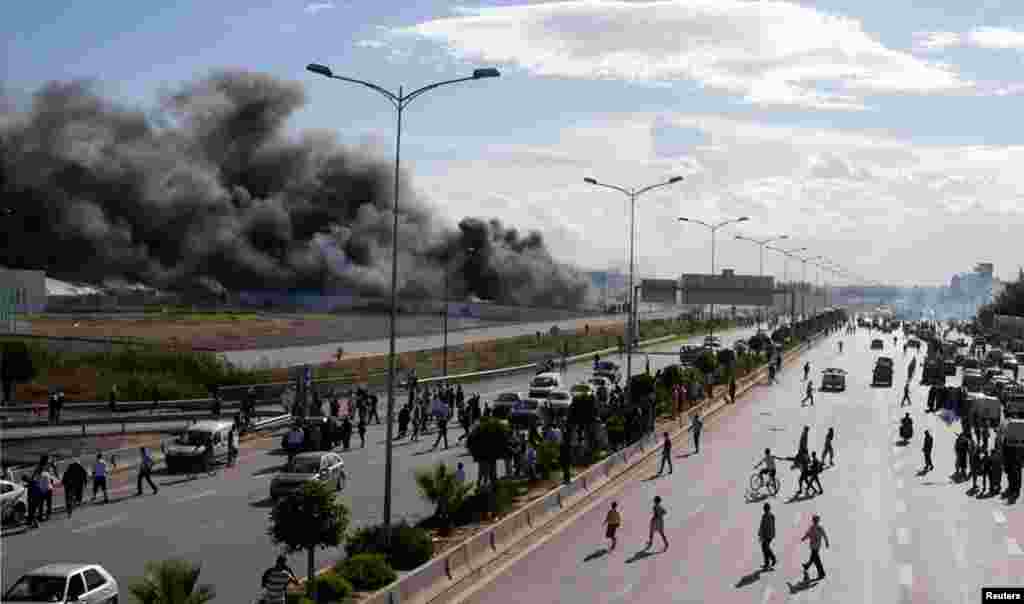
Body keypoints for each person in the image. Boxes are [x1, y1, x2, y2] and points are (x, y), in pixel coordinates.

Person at [800, 515, 830, 582]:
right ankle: (807, 566)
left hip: (816, 546)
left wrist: (826, 542)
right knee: (814, 558)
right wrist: (804, 538)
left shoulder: (819, 528)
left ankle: (821, 573)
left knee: (817, 560)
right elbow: (808, 534)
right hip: (813, 546)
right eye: (814, 520)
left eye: (816, 520)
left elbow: (824, 535)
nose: (815, 522)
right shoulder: (812, 528)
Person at [758, 502, 777, 570]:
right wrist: (760, 533)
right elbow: (762, 525)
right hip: (766, 535)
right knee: (764, 548)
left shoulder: (770, 516)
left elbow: (770, 527)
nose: (765, 510)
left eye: (766, 509)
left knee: (765, 548)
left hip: (768, 535)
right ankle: (767, 563)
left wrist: (765, 535)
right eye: (765, 509)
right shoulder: (765, 516)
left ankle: (773, 559)